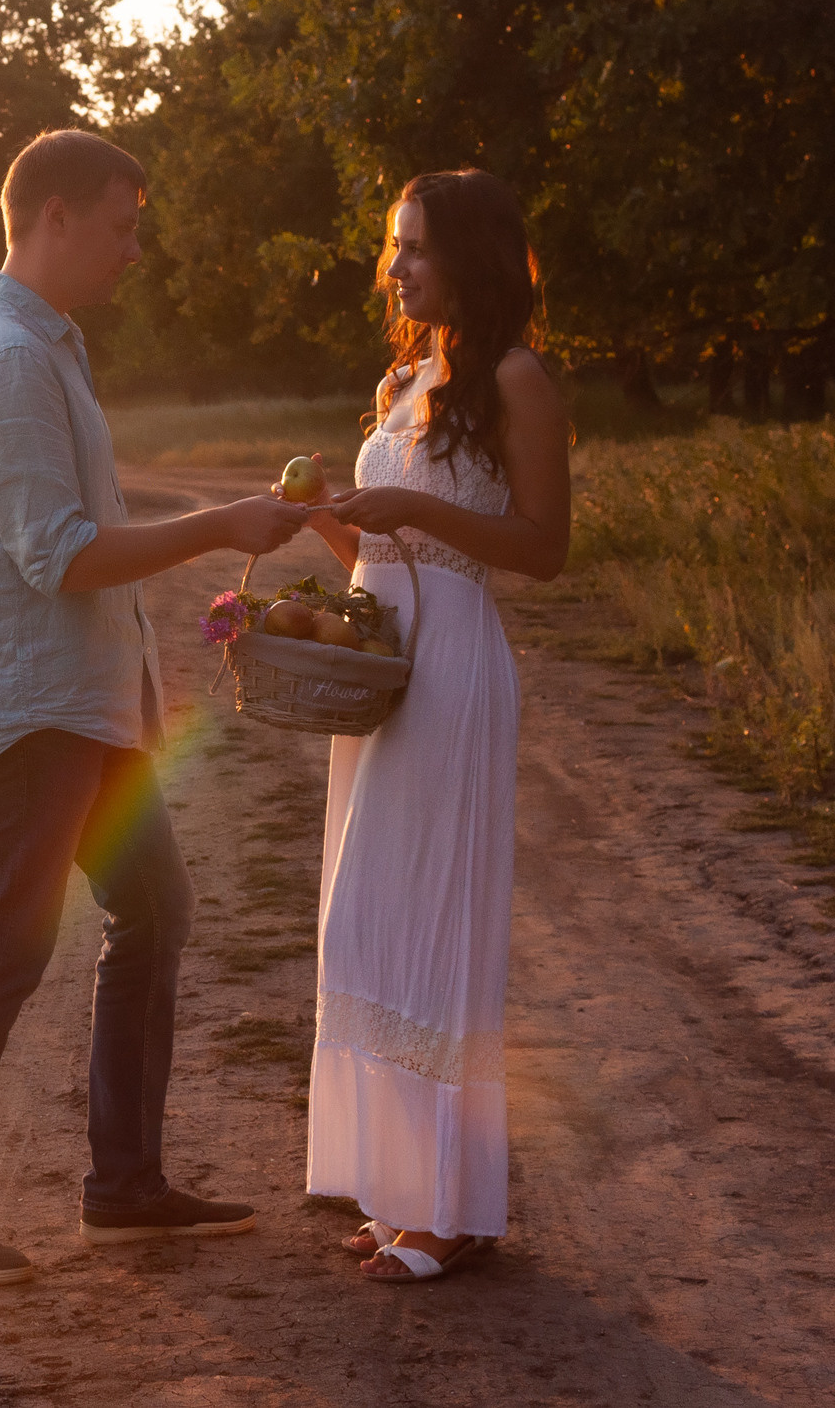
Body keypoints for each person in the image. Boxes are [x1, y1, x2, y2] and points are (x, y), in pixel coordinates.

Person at [0, 128, 309, 1285]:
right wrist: (222, 524)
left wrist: (135, 681)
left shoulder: (48, 344)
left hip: (85, 702)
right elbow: (58, 555)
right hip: (29, 712)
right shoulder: (9, 357)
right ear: (55, 217)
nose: (135, 250)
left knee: (156, 910)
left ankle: (123, 1187)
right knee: (8, 946)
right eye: (122, 225)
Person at [283, 168, 570, 1283]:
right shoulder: (410, 375)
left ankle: (448, 1207)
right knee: (367, 920)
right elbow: (383, 556)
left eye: (414, 247)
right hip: (385, 661)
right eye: (393, 246)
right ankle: (398, 1183)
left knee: (435, 923)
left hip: (452, 666)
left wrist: (417, 508)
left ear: (473, 256)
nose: (394, 267)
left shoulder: (515, 378)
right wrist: (327, 524)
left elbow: (543, 549)